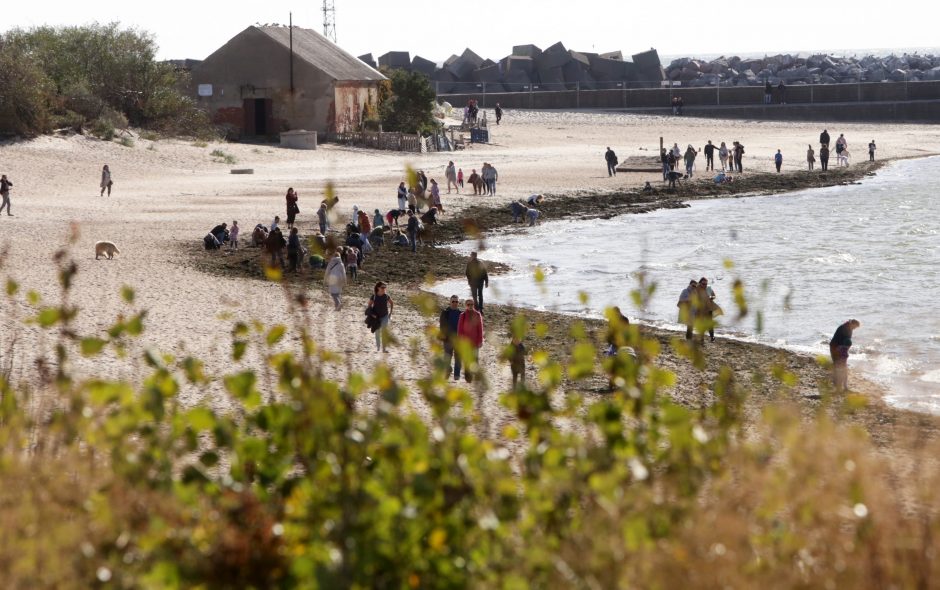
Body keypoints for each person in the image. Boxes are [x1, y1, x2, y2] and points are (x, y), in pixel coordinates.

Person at [457, 299, 484, 383]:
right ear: (466, 305)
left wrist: (480, 340)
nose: (470, 306)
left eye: (472, 304)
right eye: (468, 304)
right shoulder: (463, 315)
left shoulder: (477, 314)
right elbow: (460, 329)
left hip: (475, 342)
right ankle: (468, 377)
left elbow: (480, 329)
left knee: (475, 360)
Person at [829, 319, 861, 391]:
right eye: (855, 327)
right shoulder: (843, 328)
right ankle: (837, 386)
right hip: (834, 347)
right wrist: (841, 351)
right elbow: (843, 341)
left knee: (842, 367)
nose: (854, 329)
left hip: (841, 349)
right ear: (852, 324)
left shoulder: (849, 329)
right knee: (837, 366)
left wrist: (845, 351)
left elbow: (847, 343)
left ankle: (844, 386)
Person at [439, 295, 463, 380]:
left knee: (458, 358)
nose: (455, 303)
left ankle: (457, 376)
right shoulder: (445, 312)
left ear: (458, 303)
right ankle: (447, 371)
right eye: (453, 301)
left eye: (456, 302)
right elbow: (441, 326)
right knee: (447, 357)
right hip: (447, 339)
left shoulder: (461, 314)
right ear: (450, 302)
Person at [366, 282, 394, 352]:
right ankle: (378, 347)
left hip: (385, 316)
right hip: (376, 318)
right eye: (382, 287)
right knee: (377, 332)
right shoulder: (374, 296)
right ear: (378, 288)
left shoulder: (386, 296)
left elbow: (392, 303)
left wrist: (390, 313)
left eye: (385, 287)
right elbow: (369, 306)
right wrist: (372, 315)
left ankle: (384, 349)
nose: (384, 288)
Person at [695, 277, 719, 342]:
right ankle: (701, 338)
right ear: (700, 283)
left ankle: (712, 337)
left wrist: (711, 297)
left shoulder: (708, 288)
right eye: (703, 284)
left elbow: (714, 296)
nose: (705, 285)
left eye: (706, 284)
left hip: (708, 309)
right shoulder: (697, 289)